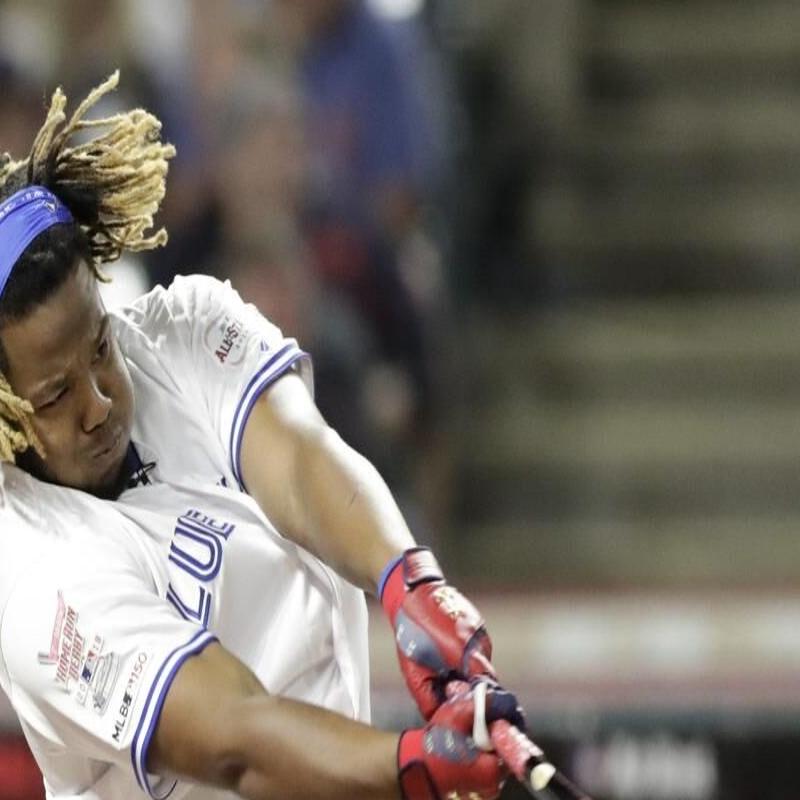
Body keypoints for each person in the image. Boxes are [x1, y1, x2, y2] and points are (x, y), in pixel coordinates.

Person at [0, 73, 521, 799]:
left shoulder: (185, 325)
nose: (98, 403)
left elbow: (305, 465)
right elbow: (236, 741)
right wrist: (408, 765)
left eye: (98, 349)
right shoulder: (28, 575)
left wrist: (409, 584)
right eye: (54, 395)